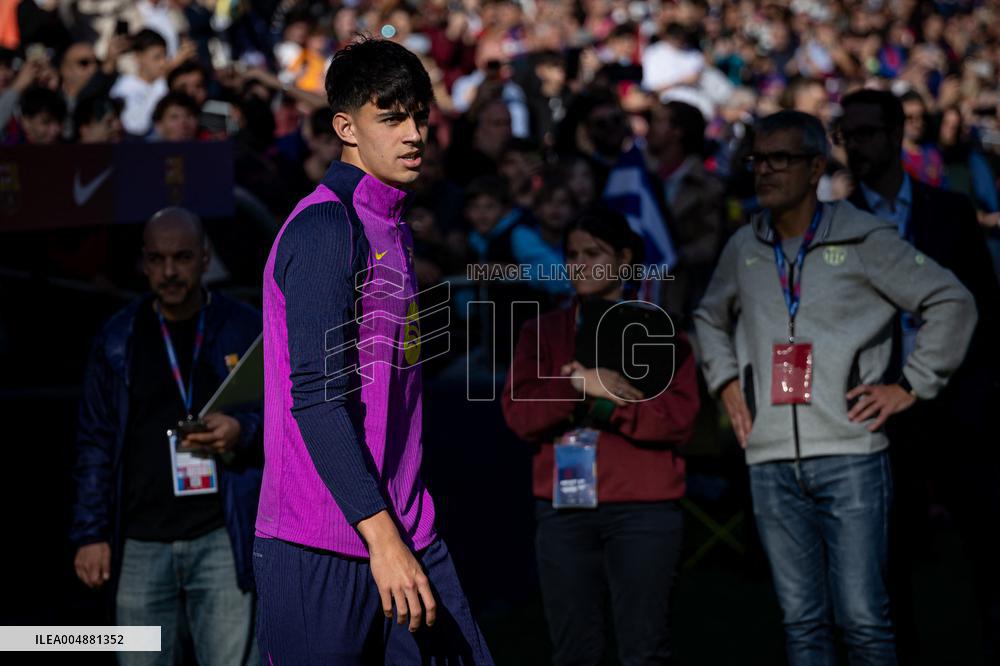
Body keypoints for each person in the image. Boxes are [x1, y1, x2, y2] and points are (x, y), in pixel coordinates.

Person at [694, 111, 976, 666]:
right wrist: (726, 381)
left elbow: (952, 301)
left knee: (864, 621)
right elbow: (707, 316)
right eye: (758, 159)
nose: (765, 170)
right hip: (770, 457)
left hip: (850, 454)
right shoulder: (744, 246)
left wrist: (912, 385)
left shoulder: (866, 238)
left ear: (816, 166)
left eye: (781, 158)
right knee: (801, 624)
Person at [253, 38, 493, 664]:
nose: (414, 133)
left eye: (420, 115)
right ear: (345, 128)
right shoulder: (328, 227)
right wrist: (380, 535)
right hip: (323, 542)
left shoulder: (393, 227)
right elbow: (317, 400)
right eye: (391, 117)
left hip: (406, 526)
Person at [839, 88, 1000, 663]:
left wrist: (979, 395)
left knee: (989, 543)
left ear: (895, 132)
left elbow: (984, 308)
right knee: (889, 556)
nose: (853, 146)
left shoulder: (948, 210)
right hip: (878, 413)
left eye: (864, 133)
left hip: (957, 404)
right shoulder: (836, 224)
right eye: (845, 134)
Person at [502, 206, 700, 665]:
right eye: (572, 254)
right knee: (574, 653)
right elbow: (518, 414)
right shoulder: (542, 329)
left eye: (594, 253)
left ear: (625, 260)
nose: (580, 264)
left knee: (644, 651)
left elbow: (677, 420)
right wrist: (575, 385)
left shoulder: (660, 330)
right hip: (564, 511)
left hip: (644, 510)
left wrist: (604, 397)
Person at [70, 207, 263, 666]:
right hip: (141, 541)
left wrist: (242, 430)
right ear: (143, 262)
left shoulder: (243, 326)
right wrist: (90, 533)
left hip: (222, 537)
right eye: (157, 259)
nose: (170, 271)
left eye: (181, 257)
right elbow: (95, 441)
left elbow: (286, 419)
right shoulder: (119, 337)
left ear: (204, 258)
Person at [110, 28, 169, 136]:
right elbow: (135, 126)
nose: (163, 63)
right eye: (157, 57)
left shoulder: (166, 84)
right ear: (138, 57)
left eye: (165, 56)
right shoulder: (123, 87)